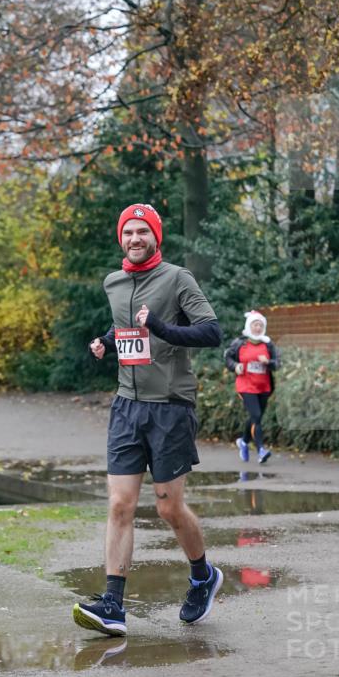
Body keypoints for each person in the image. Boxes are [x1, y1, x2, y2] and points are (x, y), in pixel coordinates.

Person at [73, 202, 224, 637]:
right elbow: (125, 329)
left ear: (156, 236)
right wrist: (105, 342)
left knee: (167, 507)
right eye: (128, 232)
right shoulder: (114, 282)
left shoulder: (178, 279)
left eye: (143, 231)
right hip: (126, 405)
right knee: (120, 503)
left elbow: (211, 331)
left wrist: (161, 327)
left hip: (170, 407)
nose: (135, 238)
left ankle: (203, 576)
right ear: (120, 237)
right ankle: (113, 605)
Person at [224, 310, 278, 464]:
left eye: (261, 325)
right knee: (256, 416)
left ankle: (243, 441)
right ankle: (261, 450)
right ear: (249, 326)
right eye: (255, 324)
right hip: (246, 386)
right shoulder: (240, 343)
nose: (258, 328)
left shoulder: (268, 344)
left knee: (256, 417)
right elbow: (227, 357)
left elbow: (277, 363)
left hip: (264, 387)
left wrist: (268, 362)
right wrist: (235, 366)